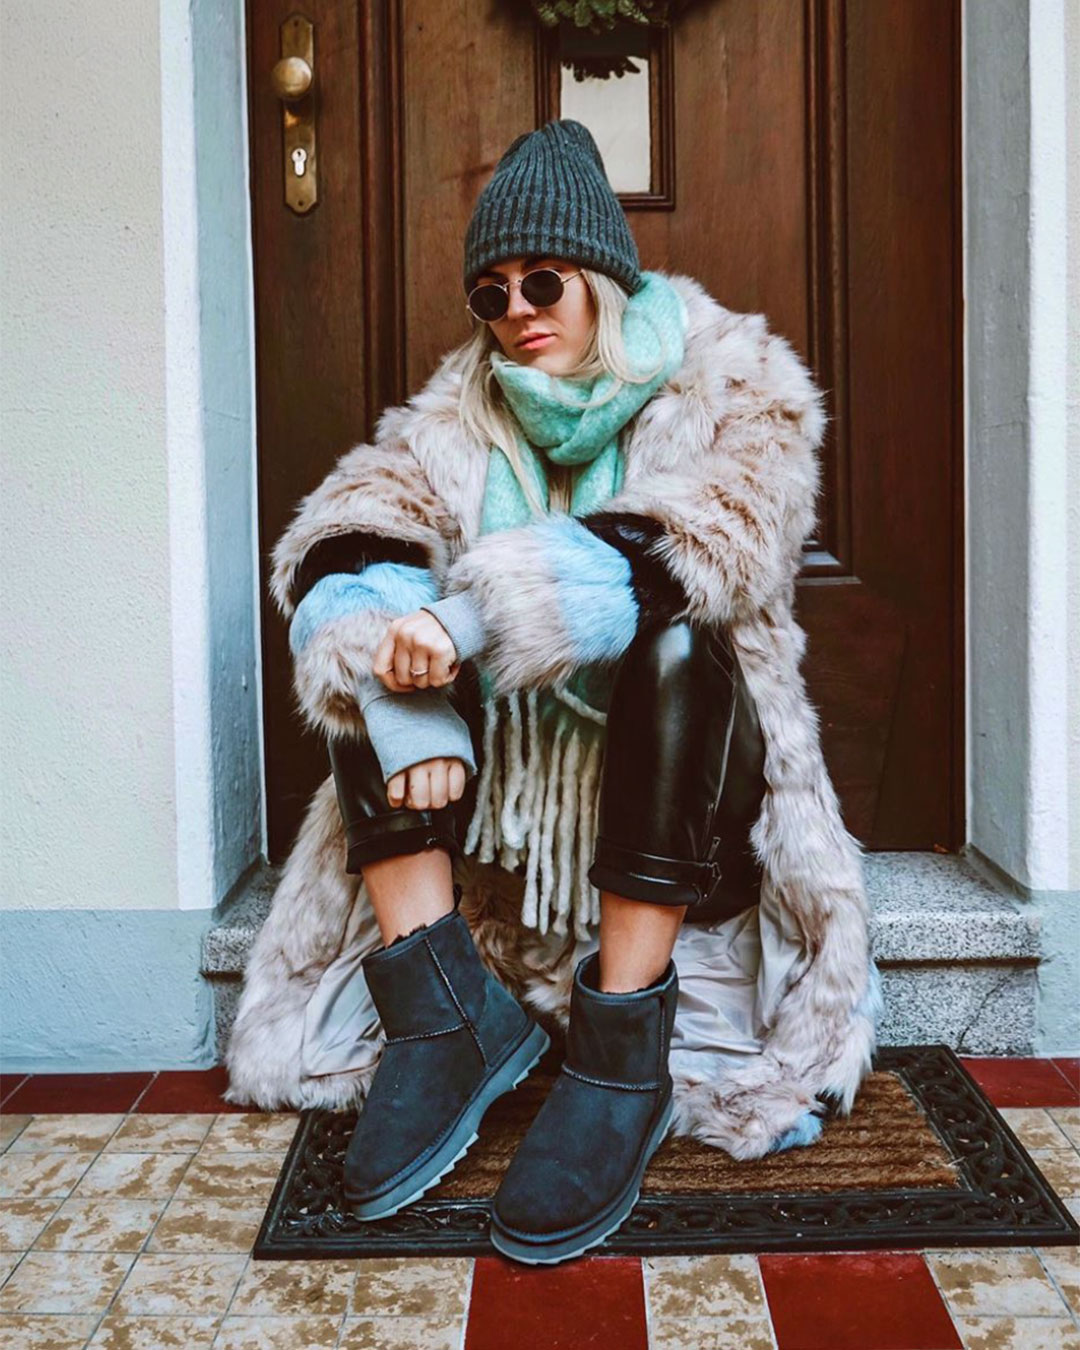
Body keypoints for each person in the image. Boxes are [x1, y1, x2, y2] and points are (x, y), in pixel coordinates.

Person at [225, 118, 883, 1265]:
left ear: (605, 284)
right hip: (509, 842)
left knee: (677, 641)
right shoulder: (458, 413)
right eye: (492, 291)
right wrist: (401, 697)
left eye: (545, 280)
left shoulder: (734, 385)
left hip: (689, 812)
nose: (519, 308)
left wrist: (473, 614)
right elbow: (342, 535)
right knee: (367, 632)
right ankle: (445, 1021)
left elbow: (713, 537)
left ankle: (620, 1052)